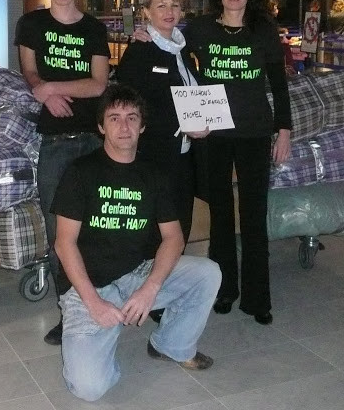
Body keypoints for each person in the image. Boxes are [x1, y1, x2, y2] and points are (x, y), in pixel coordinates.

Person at [52, 84, 221, 401]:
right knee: (89, 389)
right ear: (101, 126)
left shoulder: (153, 174)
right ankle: (106, 332)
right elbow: (64, 244)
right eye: (114, 118)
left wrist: (150, 288)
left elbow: (173, 237)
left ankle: (171, 345)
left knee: (208, 272)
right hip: (88, 287)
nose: (124, 126)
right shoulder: (80, 172)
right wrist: (94, 303)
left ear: (142, 126)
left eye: (132, 117)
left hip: (136, 274)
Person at [184, 0, 292, 323]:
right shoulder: (199, 29)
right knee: (220, 215)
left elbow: (278, 84)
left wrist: (285, 131)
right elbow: (174, 58)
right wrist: (144, 34)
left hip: (254, 132)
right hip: (212, 134)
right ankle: (224, 288)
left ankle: (258, 298)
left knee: (253, 215)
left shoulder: (263, 30)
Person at [14, 0, 110, 345]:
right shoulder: (31, 23)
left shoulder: (93, 28)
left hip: (92, 139)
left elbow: (99, 84)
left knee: (98, 225)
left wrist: (53, 87)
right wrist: (42, 90)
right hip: (54, 142)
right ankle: (69, 310)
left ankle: (102, 299)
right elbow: (30, 71)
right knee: (60, 231)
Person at [116, 0, 208, 244]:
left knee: (181, 227)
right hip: (154, 158)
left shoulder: (183, 50)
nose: (169, 12)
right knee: (157, 233)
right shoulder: (140, 51)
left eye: (174, 5)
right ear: (147, 11)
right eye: (161, 5)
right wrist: (180, 123)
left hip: (183, 157)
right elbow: (132, 110)